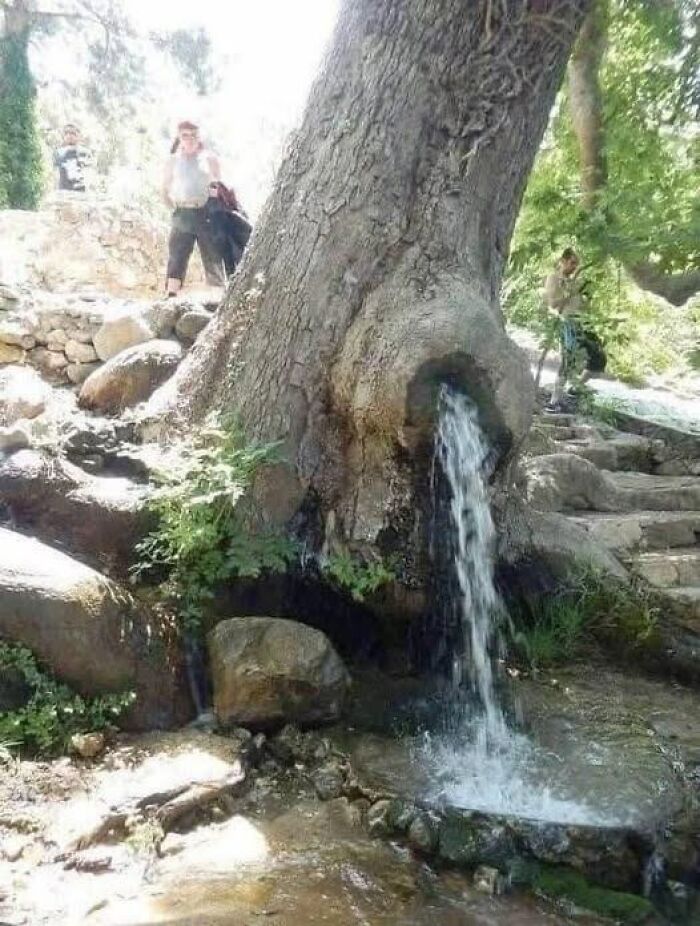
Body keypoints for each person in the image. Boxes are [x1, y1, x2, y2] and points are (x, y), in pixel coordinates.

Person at [162, 120, 225, 296]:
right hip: (182, 213)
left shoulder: (210, 159)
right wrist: (173, 208)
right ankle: (170, 298)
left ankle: (217, 298)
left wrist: (214, 206)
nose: (189, 139)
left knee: (213, 255)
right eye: (185, 135)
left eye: (193, 135)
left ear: (199, 136)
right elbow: (164, 189)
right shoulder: (173, 161)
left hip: (206, 213)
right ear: (179, 137)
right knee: (177, 255)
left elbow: (219, 186)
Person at [544, 248, 606, 411]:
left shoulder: (574, 281)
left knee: (599, 357)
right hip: (567, 323)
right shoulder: (553, 278)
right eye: (572, 263)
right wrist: (569, 293)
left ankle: (575, 388)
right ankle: (553, 402)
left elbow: (582, 304)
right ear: (562, 261)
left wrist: (586, 296)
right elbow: (553, 304)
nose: (574, 267)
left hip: (583, 323)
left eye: (576, 264)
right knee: (568, 362)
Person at [206, 180, 252, 278]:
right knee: (231, 264)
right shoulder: (216, 207)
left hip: (234, 238)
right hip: (229, 238)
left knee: (233, 264)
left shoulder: (227, 210)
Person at [53, 124, 92, 192]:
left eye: (72, 133)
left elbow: (89, 173)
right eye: (66, 133)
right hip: (63, 190)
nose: (69, 136)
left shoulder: (85, 152)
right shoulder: (58, 153)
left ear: (78, 136)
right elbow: (55, 173)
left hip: (80, 189)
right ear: (63, 136)